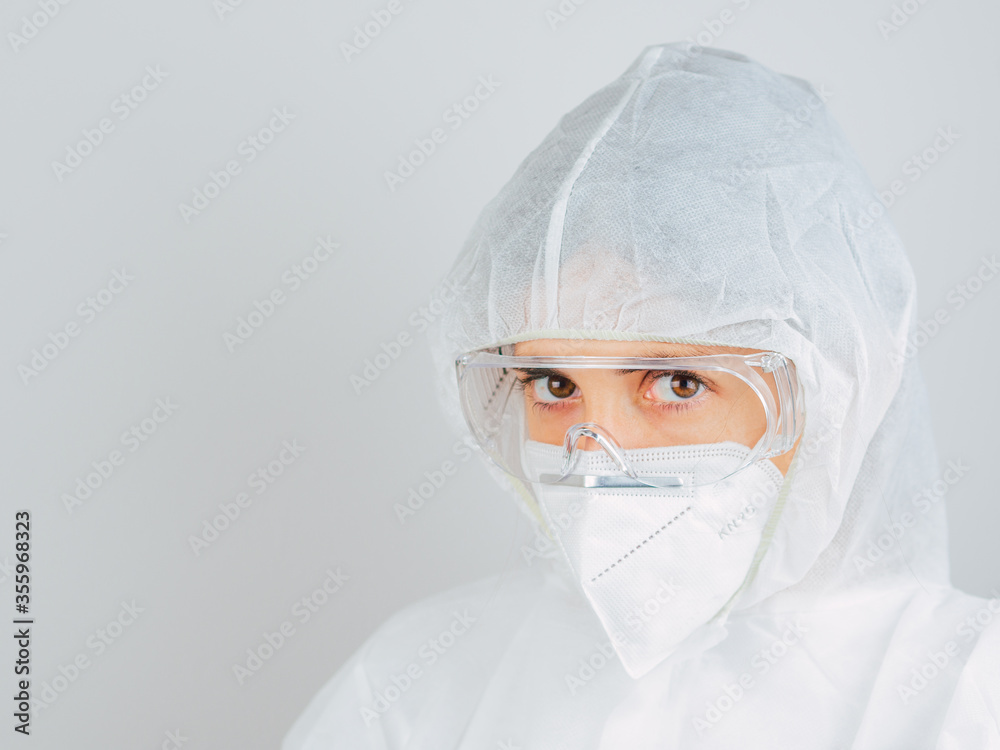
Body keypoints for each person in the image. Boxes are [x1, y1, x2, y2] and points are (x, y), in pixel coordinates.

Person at [283, 42, 1000, 748]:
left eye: (677, 384)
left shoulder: (962, 688)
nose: (599, 455)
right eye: (553, 384)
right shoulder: (415, 681)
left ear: (837, 391)